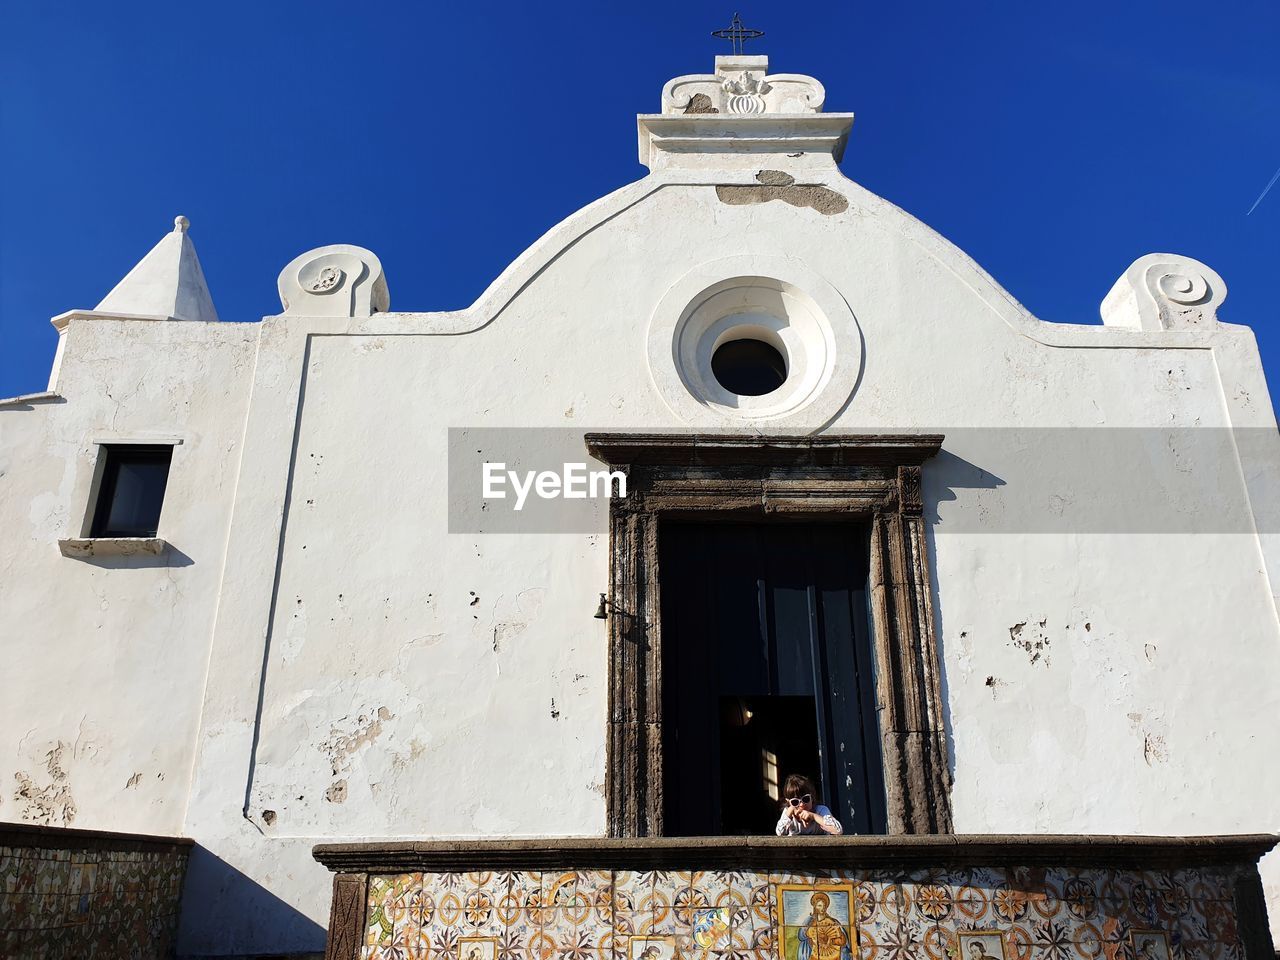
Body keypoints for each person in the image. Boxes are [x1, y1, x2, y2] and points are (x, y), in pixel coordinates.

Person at [775, 774, 843, 836]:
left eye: (806, 799)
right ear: (789, 802)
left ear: (812, 798)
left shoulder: (821, 810)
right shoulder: (788, 812)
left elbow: (838, 830)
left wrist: (813, 816)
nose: (801, 804)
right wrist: (789, 812)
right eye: (795, 802)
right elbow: (780, 833)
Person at [796, 891, 853, 960]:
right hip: (814, 952)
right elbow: (801, 936)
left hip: (832, 953)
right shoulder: (809, 921)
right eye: (819, 905)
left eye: (824, 906)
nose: (822, 908)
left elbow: (843, 940)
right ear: (815, 906)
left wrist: (831, 940)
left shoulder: (833, 921)